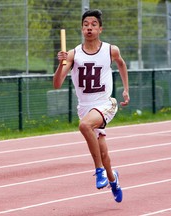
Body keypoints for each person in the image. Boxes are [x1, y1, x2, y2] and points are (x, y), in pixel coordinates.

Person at [53, 9, 130, 203]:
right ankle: (113, 180)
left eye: (93, 24)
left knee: (84, 126)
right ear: (81, 29)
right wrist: (60, 64)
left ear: (100, 29)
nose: (89, 28)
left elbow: (121, 64)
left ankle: (99, 171)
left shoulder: (111, 50)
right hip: (85, 107)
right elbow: (57, 84)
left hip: (105, 103)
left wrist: (126, 89)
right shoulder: (73, 54)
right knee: (103, 153)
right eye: (86, 24)